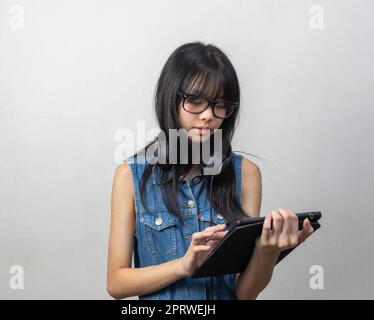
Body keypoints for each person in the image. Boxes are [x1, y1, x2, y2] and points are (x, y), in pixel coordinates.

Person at [107, 42, 314, 300]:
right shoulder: (131, 176)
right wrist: (183, 266)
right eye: (195, 101)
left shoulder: (246, 174)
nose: (208, 115)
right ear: (171, 99)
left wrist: (267, 251)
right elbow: (116, 283)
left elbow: (244, 294)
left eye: (220, 104)